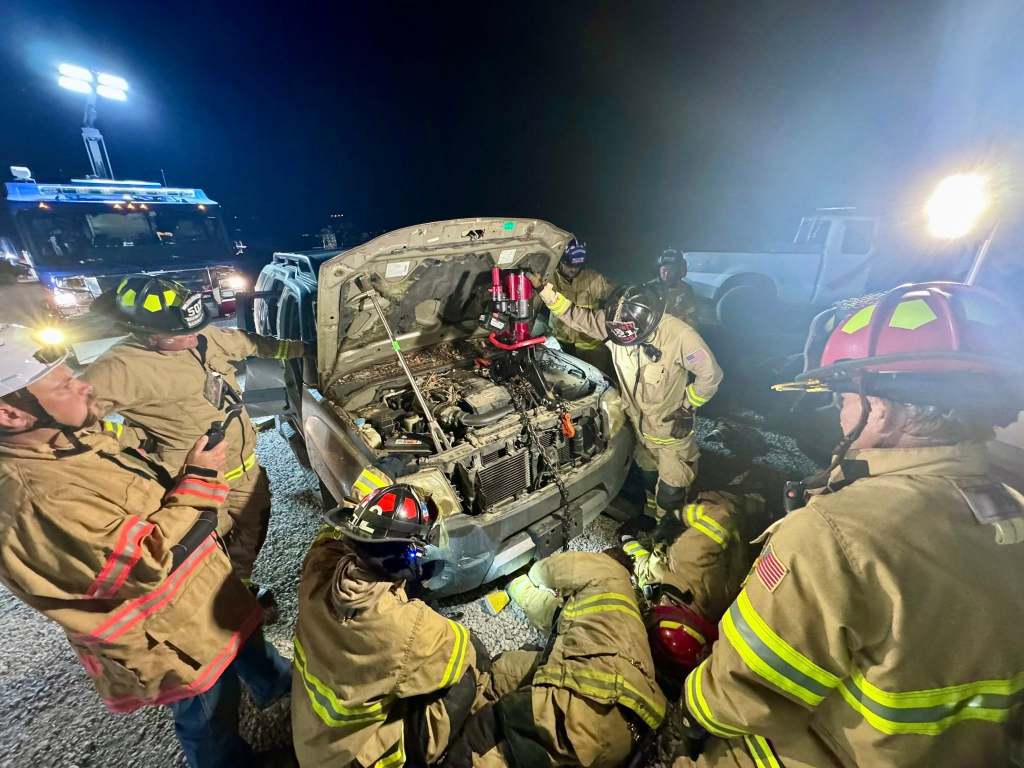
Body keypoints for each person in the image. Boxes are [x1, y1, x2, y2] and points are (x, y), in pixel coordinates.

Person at [675, 282, 1024, 767]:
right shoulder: (1011, 506)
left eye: (842, 399)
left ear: (879, 410)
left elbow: (742, 691)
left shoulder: (832, 536)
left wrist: (688, 717)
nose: (839, 415)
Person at [0, 325, 290, 767]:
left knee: (245, 637)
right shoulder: (34, 498)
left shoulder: (66, 441)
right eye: (63, 385)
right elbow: (142, 563)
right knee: (208, 716)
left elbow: (126, 469)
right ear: (10, 414)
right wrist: (199, 479)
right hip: (169, 637)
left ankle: (276, 686)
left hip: (201, 596)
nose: (84, 385)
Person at [83, 275, 307, 614]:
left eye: (197, 327)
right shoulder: (119, 369)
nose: (194, 337)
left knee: (252, 528)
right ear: (145, 333)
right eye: (180, 335)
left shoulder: (203, 336)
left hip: (245, 471)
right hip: (193, 484)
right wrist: (138, 440)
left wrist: (307, 351)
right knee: (205, 548)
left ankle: (239, 589)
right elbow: (70, 423)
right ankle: (217, 610)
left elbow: (252, 343)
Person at [291, 483, 489, 767]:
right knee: (472, 664)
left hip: (311, 740)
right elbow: (462, 650)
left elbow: (332, 532)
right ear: (408, 557)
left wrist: (371, 507)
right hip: (349, 758)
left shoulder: (318, 563)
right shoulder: (407, 627)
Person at [446, 551, 667, 768]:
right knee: (508, 668)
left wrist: (524, 576)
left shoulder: (606, 567)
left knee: (490, 738)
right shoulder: (624, 612)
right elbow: (554, 618)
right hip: (626, 739)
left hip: (582, 710)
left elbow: (549, 570)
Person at [531, 275, 723, 518]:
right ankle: (652, 517)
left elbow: (711, 374)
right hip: (638, 426)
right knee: (648, 474)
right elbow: (575, 316)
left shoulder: (681, 337)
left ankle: (668, 528)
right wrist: (544, 290)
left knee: (671, 491)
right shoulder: (617, 323)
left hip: (670, 429)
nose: (623, 341)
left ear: (647, 325)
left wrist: (688, 407)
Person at [622, 490, 767, 622]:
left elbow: (644, 569)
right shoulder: (687, 561)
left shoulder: (660, 593)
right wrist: (679, 516)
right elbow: (724, 515)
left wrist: (626, 539)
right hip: (731, 515)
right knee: (709, 499)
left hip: (706, 541)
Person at [546, 238, 615, 376]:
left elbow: (616, 294)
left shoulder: (594, 279)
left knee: (598, 379)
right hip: (561, 343)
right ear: (561, 261)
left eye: (577, 265)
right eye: (569, 264)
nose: (573, 269)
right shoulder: (550, 278)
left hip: (591, 346)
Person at [653, 247, 699, 327]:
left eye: (671, 270)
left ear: (678, 270)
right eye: (664, 270)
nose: (667, 274)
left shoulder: (686, 290)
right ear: (659, 270)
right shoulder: (650, 288)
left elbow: (692, 319)